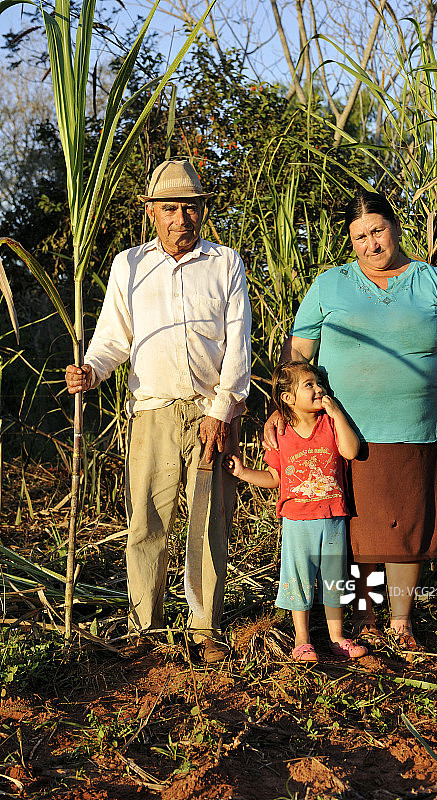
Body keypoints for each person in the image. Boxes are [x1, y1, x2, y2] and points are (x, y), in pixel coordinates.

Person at [264, 187, 437, 650]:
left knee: (408, 527)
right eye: (359, 237)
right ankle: (364, 619)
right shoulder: (330, 285)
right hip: (342, 435)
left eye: (377, 231)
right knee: (353, 534)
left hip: (418, 430)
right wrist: (283, 408)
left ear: (395, 227)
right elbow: (298, 353)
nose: (370, 245)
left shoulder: (434, 281)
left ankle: (400, 621)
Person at [65, 160, 251, 662]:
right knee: (147, 521)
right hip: (152, 411)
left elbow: (238, 344)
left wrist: (221, 407)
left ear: (202, 212)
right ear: (151, 213)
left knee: (209, 521)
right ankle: (145, 626)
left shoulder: (225, 262)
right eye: (169, 208)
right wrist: (91, 369)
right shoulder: (129, 265)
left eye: (190, 208)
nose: (181, 219)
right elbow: (112, 338)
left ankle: (204, 627)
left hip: (212, 413)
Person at [224, 361, 367, 662]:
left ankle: (337, 637)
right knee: (299, 578)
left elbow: (351, 451)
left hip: (332, 516)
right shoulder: (281, 434)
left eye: (319, 383)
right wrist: (243, 472)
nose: (318, 389)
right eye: (309, 385)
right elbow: (275, 478)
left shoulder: (329, 423)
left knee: (333, 579)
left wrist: (336, 412)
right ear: (288, 399)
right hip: (297, 521)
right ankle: (303, 640)